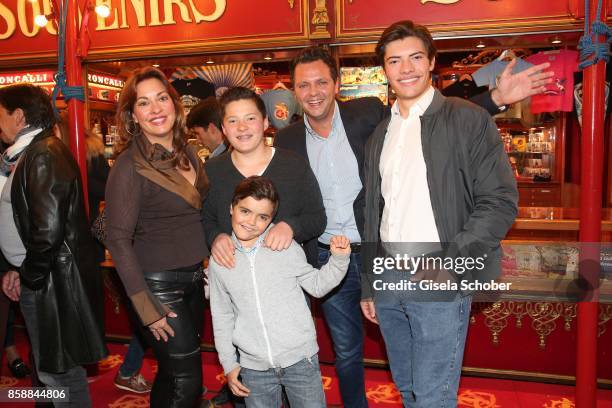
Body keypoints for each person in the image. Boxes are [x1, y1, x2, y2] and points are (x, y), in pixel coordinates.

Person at [275, 45, 553, 407]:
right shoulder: (287, 139)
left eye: (321, 82)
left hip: (387, 251)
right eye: (304, 85)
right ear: (294, 90)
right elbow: (285, 196)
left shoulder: (368, 114)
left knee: (430, 385)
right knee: (347, 353)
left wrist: (495, 98)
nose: (313, 92)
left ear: (337, 83)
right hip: (331, 258)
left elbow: (426, 112)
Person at [361, 21, 519, 407]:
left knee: (434, 394)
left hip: (438, 270)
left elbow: (499, 200)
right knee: (407, 386)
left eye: (415, 57)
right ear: (384, 69)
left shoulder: (468, 119)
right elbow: (372, 211)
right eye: (394, 60)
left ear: (431, 62)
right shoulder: (382, 133)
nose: (406, 68)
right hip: (389, 276)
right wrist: (369, 282)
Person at [104, 67, 209, 407]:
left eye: (162, 98)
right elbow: (117, 238)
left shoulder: (188, 152)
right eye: (144, 103)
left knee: (171, 374)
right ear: (133, 116)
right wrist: (146, 307)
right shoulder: (128, 165)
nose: (156, 109)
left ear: (175, 105)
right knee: (188, 380)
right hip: (158, 287)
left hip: (195, 281)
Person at [0, 83, 107, 407]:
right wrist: (20, 270)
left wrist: (30, 275)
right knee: (53, 369)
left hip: (49, 281)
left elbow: (47, 230)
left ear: (18, 117)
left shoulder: (43, 153)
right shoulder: (30, 152)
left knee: (59, 371)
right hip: (41, 276)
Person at [209, 176, 351, 408]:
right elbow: (222, 315)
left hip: (300, 360)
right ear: (232, 208)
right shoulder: (221, 259)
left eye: (262, 216)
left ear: (271, 219)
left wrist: (338, 259)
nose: (251, 221)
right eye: (245, 211)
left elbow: (317, 286)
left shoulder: (285, 248)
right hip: (253, 366)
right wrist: (229, 364)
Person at [202, 86, 325, 270]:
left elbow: (317, 218)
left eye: (250, 118)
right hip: (234, 282)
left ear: (265, 122)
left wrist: (291, 227)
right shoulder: (211, 171)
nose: (242, 127)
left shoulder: (293, 165)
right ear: (224, 129)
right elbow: (203, 219)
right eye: (233, 121)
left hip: (287, 283)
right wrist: (215, 237)